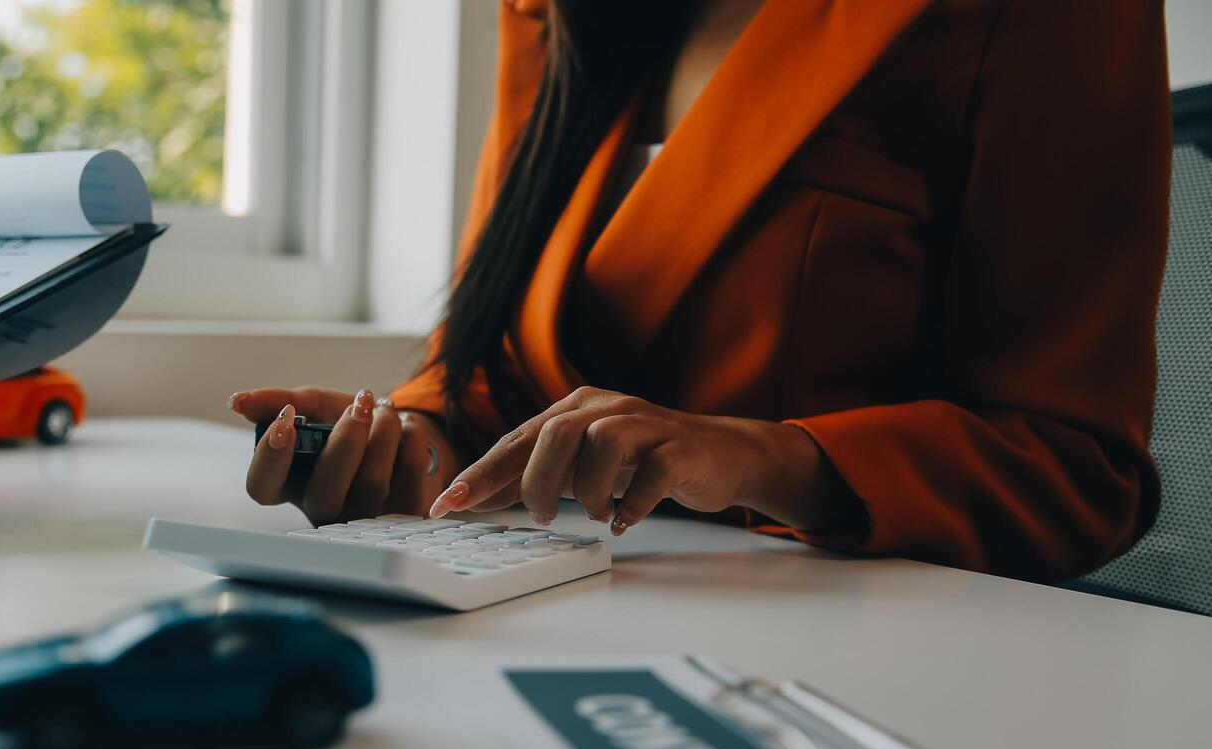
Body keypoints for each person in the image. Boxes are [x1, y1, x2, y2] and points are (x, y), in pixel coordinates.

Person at [230, 0, 1171, 583]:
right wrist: (415, 452)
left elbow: (1078, 468)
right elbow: (499, 373)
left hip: (867, 673)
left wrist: (755, 458)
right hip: (567, 613)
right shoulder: (553, 13)